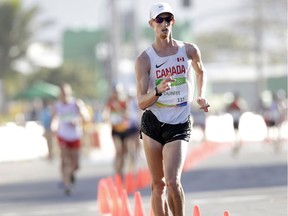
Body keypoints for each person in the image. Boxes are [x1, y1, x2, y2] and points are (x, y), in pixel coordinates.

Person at [135, 2, 210, 215]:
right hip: (153, 121)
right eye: (159, 20)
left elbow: (200, 71)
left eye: (168, 19)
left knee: (173, 182)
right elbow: (141, 102)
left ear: (173, 22)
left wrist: (201, 96)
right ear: (152, 24)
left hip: (179, 120)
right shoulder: (144, 60)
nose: (164, 24)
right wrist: (157, 91)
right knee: (157, 185)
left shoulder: (188, 50)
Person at [51, 83, 90, 195]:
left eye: (66, 93)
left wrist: (79, 117)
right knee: (64, 160)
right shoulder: (57, 106)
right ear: (60, 94)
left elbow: (86, 117)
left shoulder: (76, 103)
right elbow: (54, 120)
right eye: (62, 94)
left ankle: (71, 174)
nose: (64, 96)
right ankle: (67, 184)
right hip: (63, 135)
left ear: (70, 93)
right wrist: (53, 128)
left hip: (75, 136)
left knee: (76, 164)